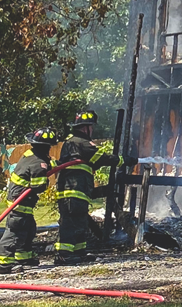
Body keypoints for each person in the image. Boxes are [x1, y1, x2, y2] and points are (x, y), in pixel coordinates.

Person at [54, 110, 137, 265]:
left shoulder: (73, 143)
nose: (92, 130)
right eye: (91, 127)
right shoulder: (81, 142)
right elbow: (100, 159)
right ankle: (63, 255)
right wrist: (122, 160)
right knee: (70, 222)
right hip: (73, 190)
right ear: (85, 128)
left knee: (80, 222)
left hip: (77, 190)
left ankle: (78, 252)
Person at [0, 127, 58, 274]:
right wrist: (47, 179)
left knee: (29, 229)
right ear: (46, 146)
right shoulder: (38, 162)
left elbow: (46, 164)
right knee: (15, 230)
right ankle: (3, 262)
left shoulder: (31, 155)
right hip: (20, 201)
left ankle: (24, 257)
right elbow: (39, 185)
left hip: (21, 199)